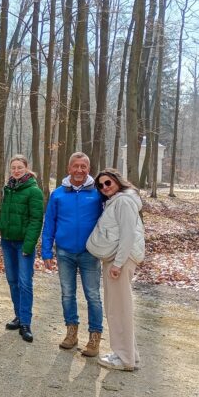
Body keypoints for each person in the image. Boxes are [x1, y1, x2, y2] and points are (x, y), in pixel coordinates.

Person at [41, 152, 104, 356]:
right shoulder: (58, 193)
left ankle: (94, 337)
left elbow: (108, 221)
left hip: (90, 253)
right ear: (69, 169)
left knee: (93, 295)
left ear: (88, 169)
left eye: (83, 167)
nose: (79, 170)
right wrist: (46, 251)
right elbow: (49, 222)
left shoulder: (98, 193)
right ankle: (71, 332)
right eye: (75, 166)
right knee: (67, 293)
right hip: (65, 252)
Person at [86, 168, 145, 371]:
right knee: (119, 307)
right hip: (118, 259)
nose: (104, 188)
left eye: (108, 183)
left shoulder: (123, 201)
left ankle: (124, 358)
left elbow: (128, 234)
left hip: (121, 260)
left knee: (118, 309)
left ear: (118, 182)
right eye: (101, 185)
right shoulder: (119, 201)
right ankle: (130, 354)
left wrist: (118, 264)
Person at [0, 155, 44, 342]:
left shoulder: (33, 191)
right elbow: (4, 210)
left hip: (23, 244)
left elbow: (36, 220)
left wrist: (29, 246)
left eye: (19, 168)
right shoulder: (9, 187)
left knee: (25, 283)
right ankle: (18, 316)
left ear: (26, 169)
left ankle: (26, 323)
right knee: (12, 280)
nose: (16, 171)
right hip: (7, 241)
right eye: (13, 167)